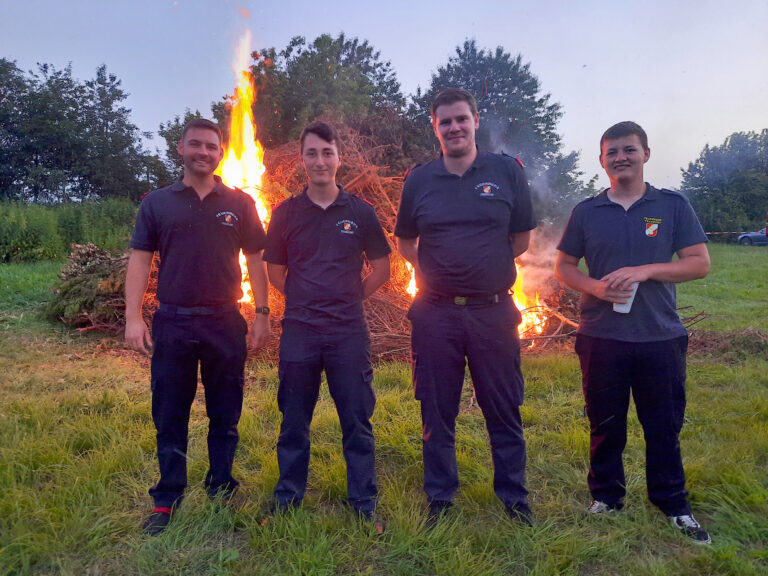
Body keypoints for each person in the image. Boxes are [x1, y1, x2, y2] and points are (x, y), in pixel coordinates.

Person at [554, 121, 712, 544]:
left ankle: (673, 503)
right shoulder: (587, 211)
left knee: (663, 425)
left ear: (645, 154)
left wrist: (646, 270)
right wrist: (595, 288)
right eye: (612, 152)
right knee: (605, 424)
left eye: (629, 149)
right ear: (602, 160)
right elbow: (565, 266)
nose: (620, 157)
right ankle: (606, 496)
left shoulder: (672, 206)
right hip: (601, 336)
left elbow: (698, 262)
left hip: (659, 336)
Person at [394, 88, 536, 525]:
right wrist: (436, 271)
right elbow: (404, 241)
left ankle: (514, 497)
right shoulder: (419, 180)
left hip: (492, 312)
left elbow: (521, 239)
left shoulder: (506, 172)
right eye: (445, 121)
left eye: (461, 119)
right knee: (436, 408)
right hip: (435, 313)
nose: (453, 127)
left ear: (475, 120)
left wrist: (483, 269)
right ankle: (440, 497)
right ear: (434, 126)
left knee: (503, 406)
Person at [125, 118, 270, 536]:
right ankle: (168, 495)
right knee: (170, 413)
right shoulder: (158, 202)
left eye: (211, 146)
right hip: (173, 321)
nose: (203, 152)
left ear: (220, 151)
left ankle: (221, 486)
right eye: (195, 145)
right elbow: (139, 259)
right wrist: (134, 316)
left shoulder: (240, 202)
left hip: (225, 320)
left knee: (226, 412)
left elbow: (257, 259)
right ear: (181, 149)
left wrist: (261, 314)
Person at [263, 121, 391, 524]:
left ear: (339, 158)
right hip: (300, 330)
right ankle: (289, 497)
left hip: (347, 331)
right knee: (294, 419)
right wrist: (304, 299)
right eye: (312, 153)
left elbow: (383, 268)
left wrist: (350, 297)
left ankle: (363, 501)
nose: (320, 160)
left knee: (356, 418)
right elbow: (274, 271)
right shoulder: (285, 214)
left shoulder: (360, 213)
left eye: (327, 152)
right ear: (302, 159)